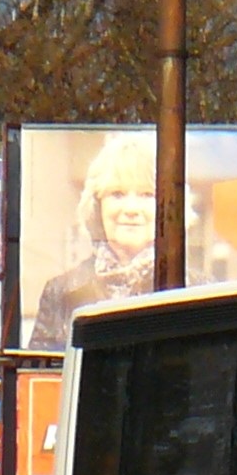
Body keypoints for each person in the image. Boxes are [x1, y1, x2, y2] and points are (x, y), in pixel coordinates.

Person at [28, 132, 162, 349]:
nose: (131, 209)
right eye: (117, 194)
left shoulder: (198, 289)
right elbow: (39, 378)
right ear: (97, 206)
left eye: (146, 195)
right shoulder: (59, 292)